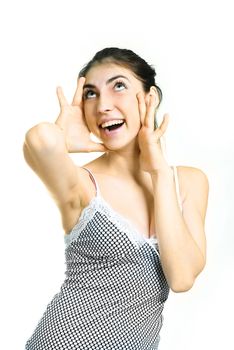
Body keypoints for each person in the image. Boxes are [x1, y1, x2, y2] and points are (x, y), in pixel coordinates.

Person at [23, 47, 209, 349]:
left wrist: (159, 171)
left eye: (118, 86)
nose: (102, 105)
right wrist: (62, 136)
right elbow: (40, 141)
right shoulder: (83, 184)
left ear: (150, 98)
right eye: (91, 94)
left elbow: (182, 278)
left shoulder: (188, 182)